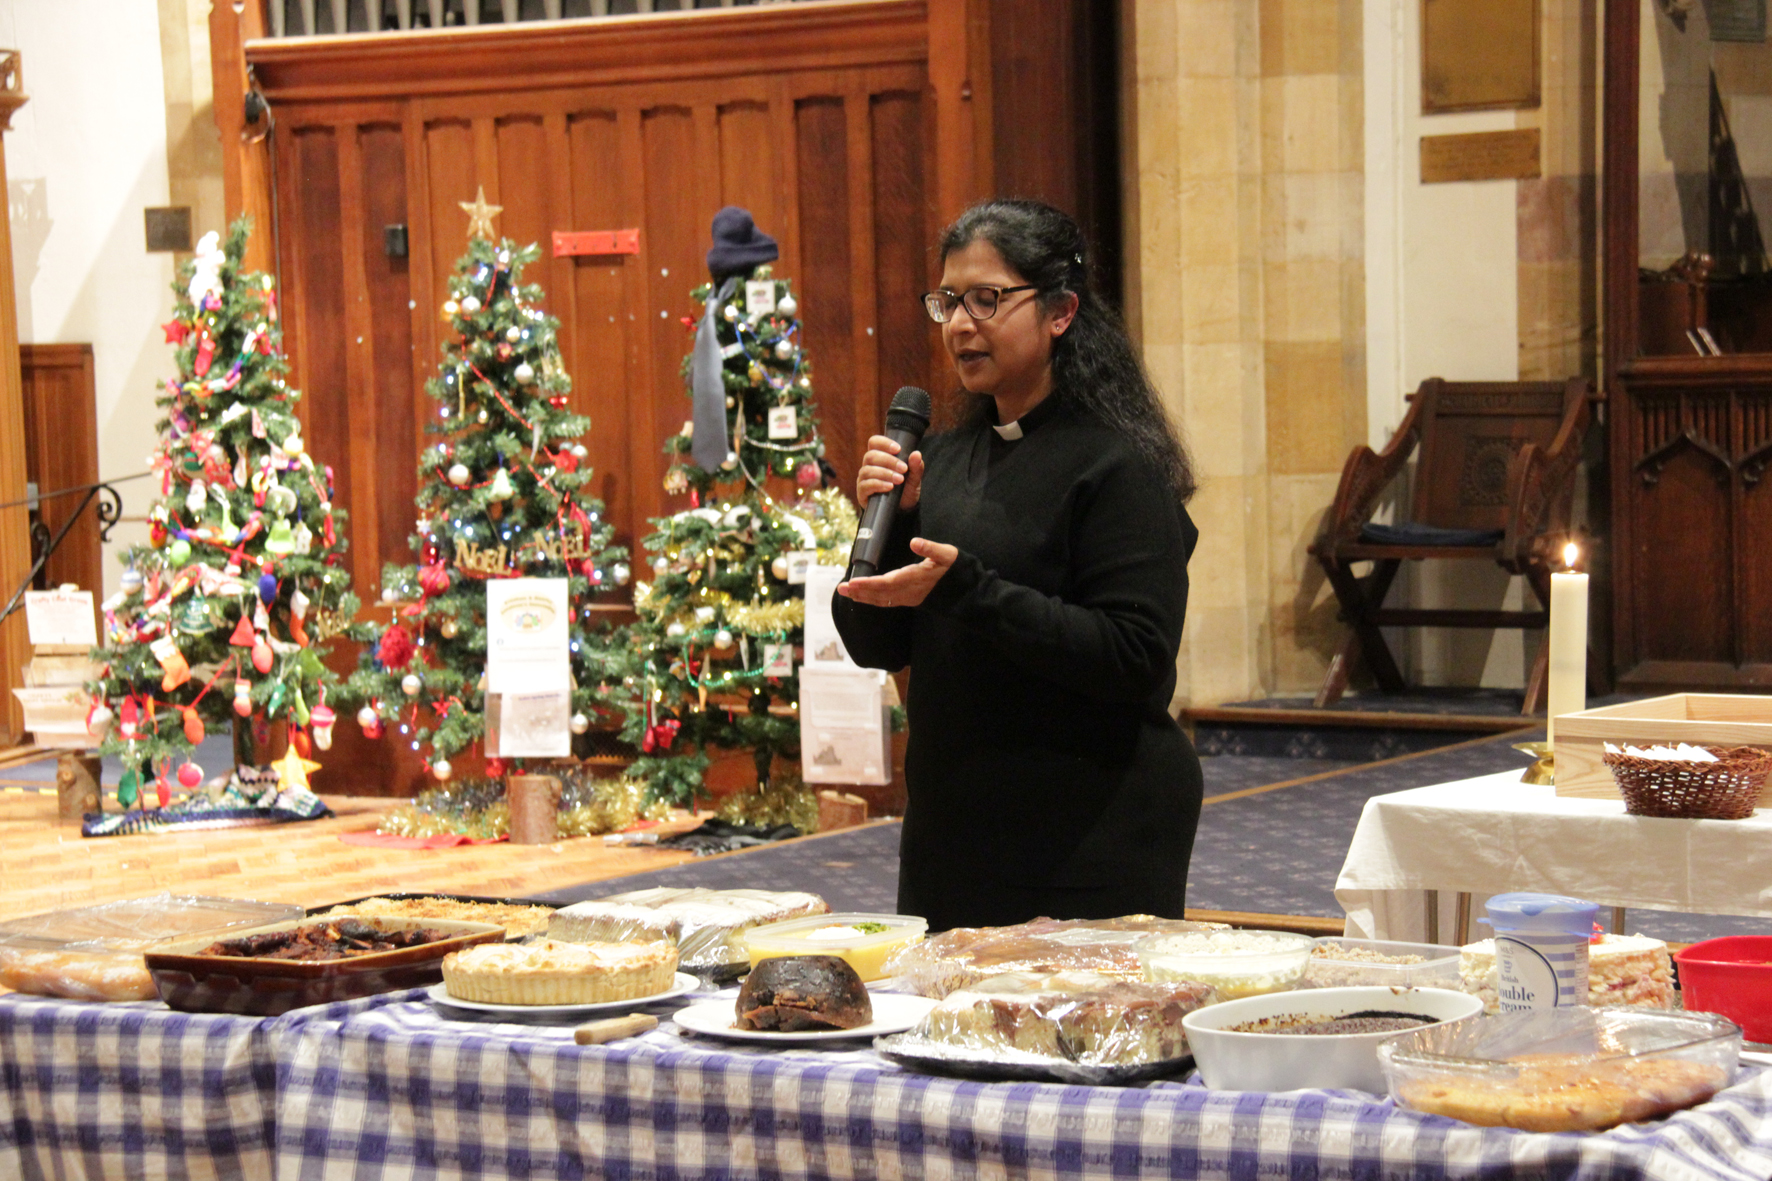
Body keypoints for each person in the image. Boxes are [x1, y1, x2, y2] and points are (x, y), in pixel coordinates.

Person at [832, 198, 1203, 932]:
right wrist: (882, 521)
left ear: (1060, 312)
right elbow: (875, 642)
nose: (961, 324)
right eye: (949, 302)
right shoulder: (938, 460)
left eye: (988, 299)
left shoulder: (1116, 466)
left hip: (1089, 838)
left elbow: (1136, 659)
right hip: (957, 835)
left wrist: (968, 588)